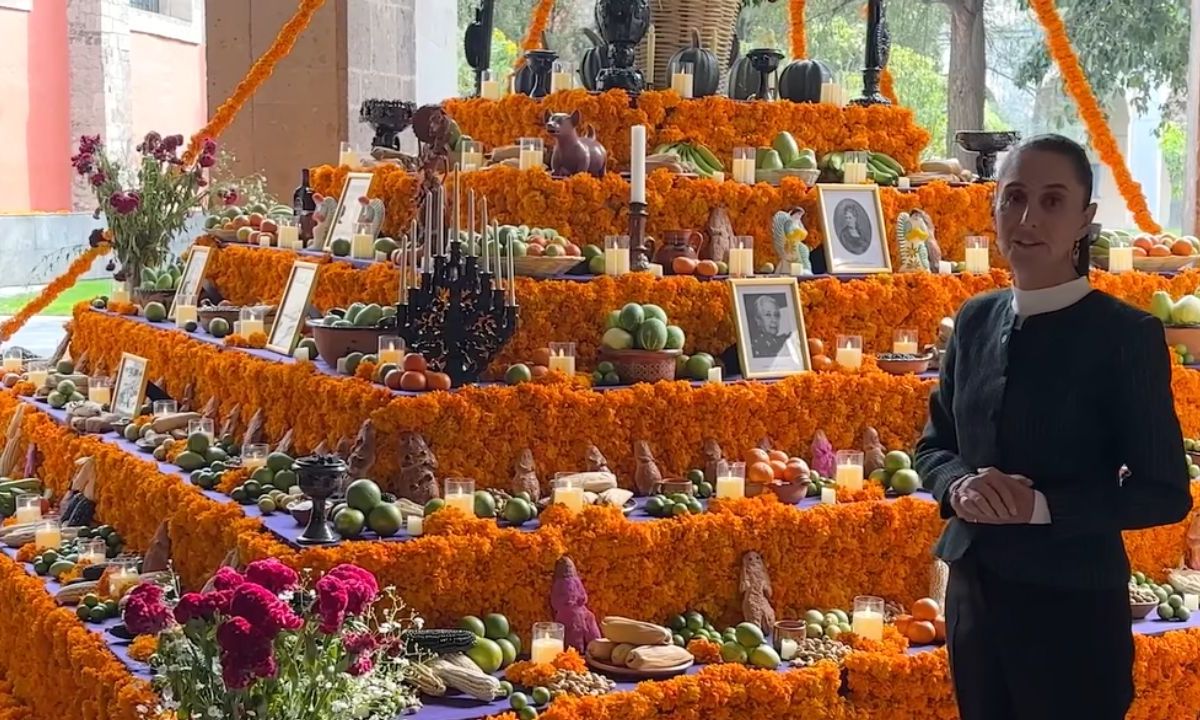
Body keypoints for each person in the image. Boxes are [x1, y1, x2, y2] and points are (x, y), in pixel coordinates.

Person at [914, 134, 1193, 720]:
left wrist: (1040, 507)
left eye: (1051, 201)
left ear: (1085, 219)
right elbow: (934, 447)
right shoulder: (974, 319)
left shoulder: (1125, 336)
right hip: (974, 594)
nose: (1027, 218)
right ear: (993, 207)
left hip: (1073, 608)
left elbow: (1163, 492)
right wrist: (958, 486)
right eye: (1013, 198)